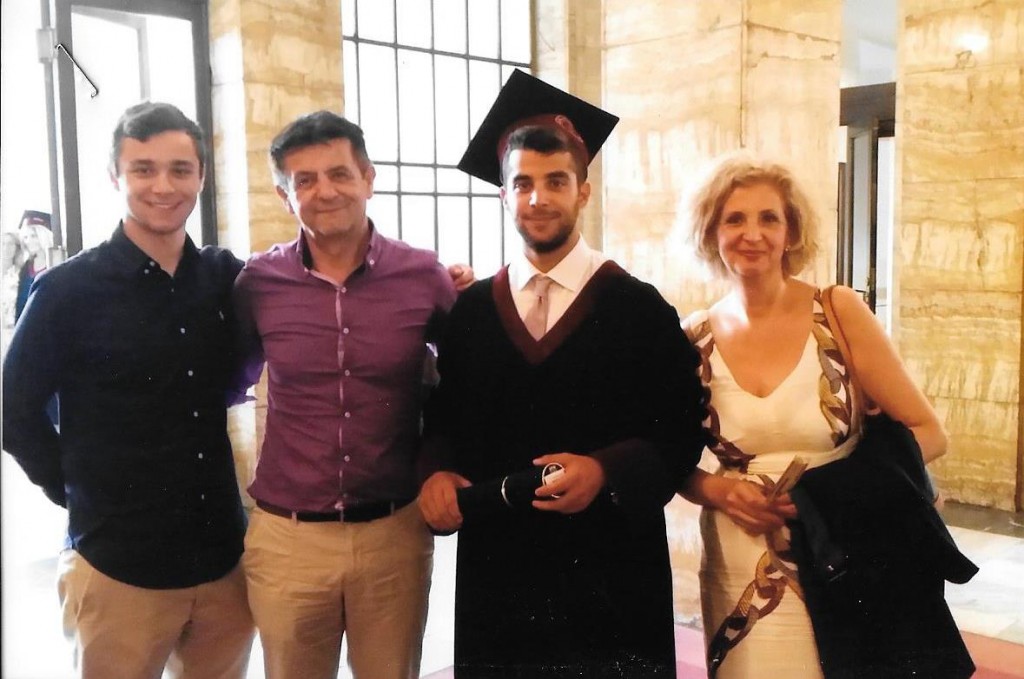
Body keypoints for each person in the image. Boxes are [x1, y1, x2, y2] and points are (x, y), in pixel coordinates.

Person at [417, 70, 708, 677]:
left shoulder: (639, 308)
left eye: (556, 181)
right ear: (503, 196)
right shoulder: (472, 312)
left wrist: (606, 470)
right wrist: (437, 468)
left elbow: (682, 427)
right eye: (522, 183)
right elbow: (443, 412)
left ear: (584, 192)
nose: (538, 198)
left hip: (611, 563)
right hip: (500, 562)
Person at [2, 102, 254, 679]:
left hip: (222, 557)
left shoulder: (224, 277)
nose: (163, 186)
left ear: (201, 176)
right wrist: (74, 489)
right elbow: (13, 410)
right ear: (115, 176)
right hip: (118, 564)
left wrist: (445, 283)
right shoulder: (67, 290)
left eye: (180, 169)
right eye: (143, 169)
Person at [677, 153, 949, 678]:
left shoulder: (837, 310)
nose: (752, 234)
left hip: (843, 549)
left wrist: (822, 495)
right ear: (710, 233)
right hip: (736, 562)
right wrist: (716, 490)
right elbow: (671, 459)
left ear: (792, 231)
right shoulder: (694, 337)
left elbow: (929, 433)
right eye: (734, 219)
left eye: (769, 218)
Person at [233, 110, 472, 679]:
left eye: (340, 173)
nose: (325, 191)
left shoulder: (423, 277)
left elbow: (469, 377)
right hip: (289, 540)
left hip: (393, 534)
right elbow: (226, 379)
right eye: (305, 180)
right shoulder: (258, 284)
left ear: (368, 178)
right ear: (285, 196)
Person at [15, 210, 54, 321]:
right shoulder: (25, 268)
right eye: (25, 237)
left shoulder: (55, 264)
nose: (28, 241)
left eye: (33, 236)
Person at [2, 230, 23, 329]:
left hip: (13, 326)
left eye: (10, 244)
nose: (6, 248)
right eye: (3, 244)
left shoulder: (20, 274)